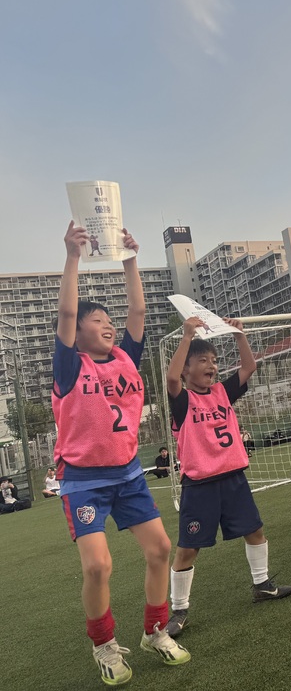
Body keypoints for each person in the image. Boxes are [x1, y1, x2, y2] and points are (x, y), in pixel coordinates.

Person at [52, 221, 189, 686]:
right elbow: (66, 313)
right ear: (77, 333)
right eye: (96, 320)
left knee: (161, 549)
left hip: (128, 474)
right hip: (83, 479)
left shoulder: (126, 357)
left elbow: (138, 308)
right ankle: (104, 645)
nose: (107, 324)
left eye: (108, 319)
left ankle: (155, 631)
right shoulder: (69, 366)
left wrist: (130, 257)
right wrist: (73, 256)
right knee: (98, 565)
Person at [164, 316, 291, 638]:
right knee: (188, 549)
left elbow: (249, 367)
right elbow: (171, 379)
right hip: (200, 485)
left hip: (233, 478)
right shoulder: (183, 400)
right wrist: (187, 337)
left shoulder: (222, 392)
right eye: (202, 360)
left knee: (255, 530)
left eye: (214, 360)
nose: (211, 365)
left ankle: (262, 585)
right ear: (186, 370)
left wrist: (239, 335)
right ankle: (179, 609)